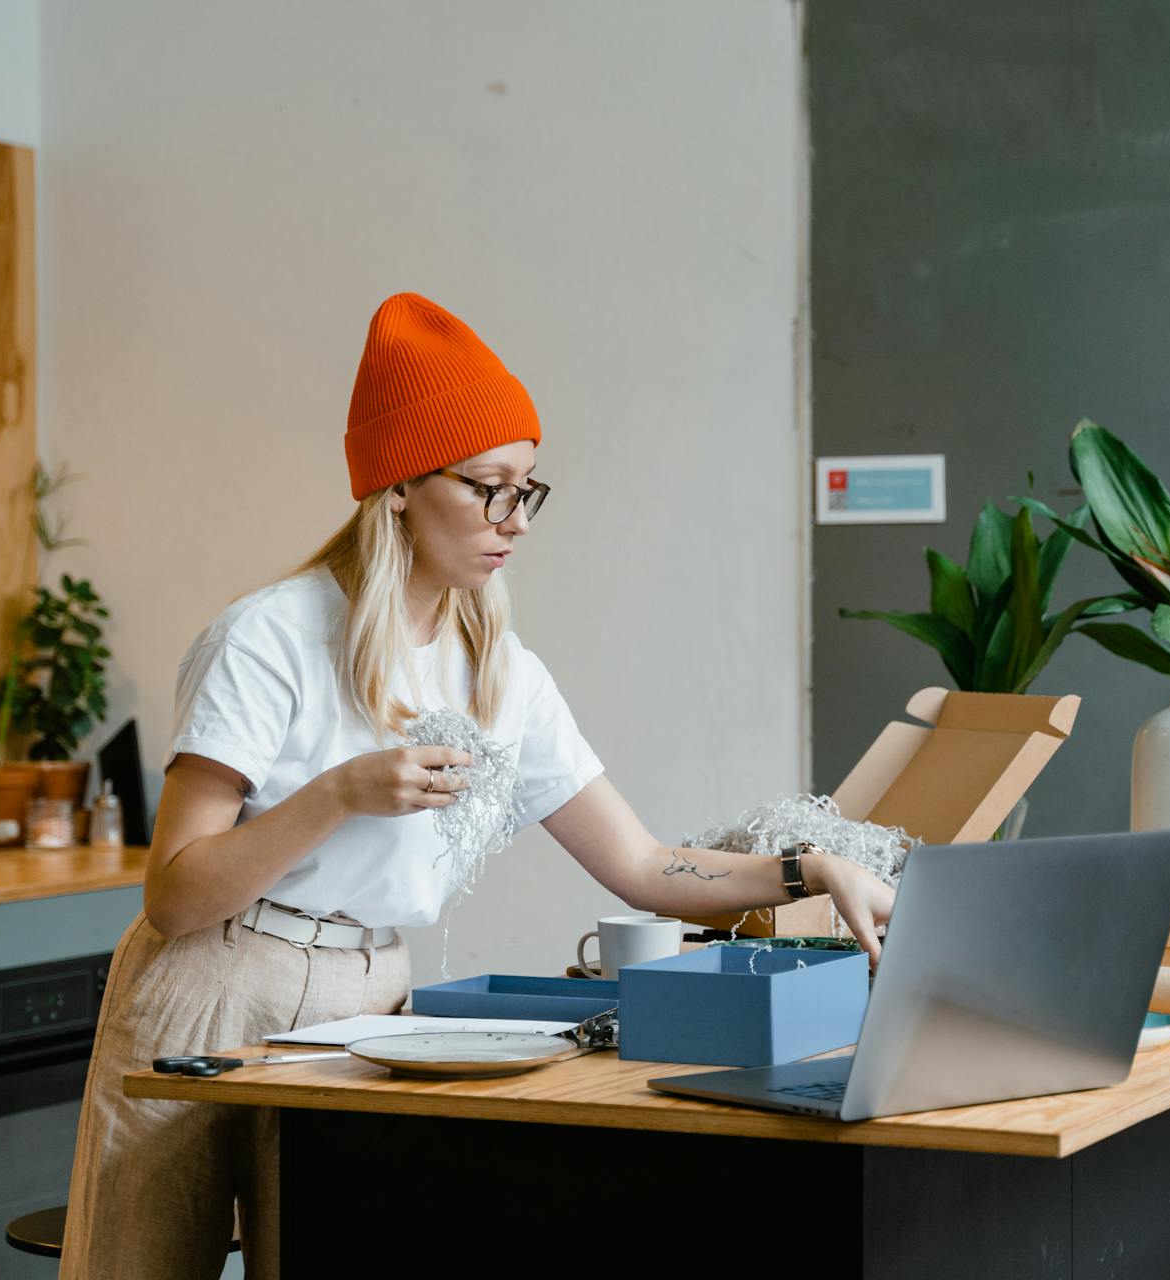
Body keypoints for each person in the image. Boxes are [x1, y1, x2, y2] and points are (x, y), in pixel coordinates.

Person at [59, 292, 897, 1278]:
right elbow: (175, 892)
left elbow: (642, 864)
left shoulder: (501, 673)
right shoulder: (268, 638)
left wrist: (812, 867)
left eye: (528, 489)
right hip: (213, 981)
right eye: (489, 486)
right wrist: (337, 793)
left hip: (369, 996)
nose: (515, 520)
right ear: (401, 485)